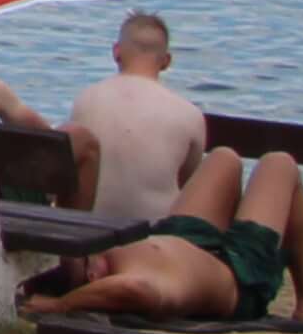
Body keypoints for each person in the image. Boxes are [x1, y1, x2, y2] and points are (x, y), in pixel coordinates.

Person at [25, 143, 303, 327]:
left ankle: (279, 235)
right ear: (92, 278)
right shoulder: (143, 282)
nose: (93, 256)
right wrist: (61, 306)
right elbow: (135, 289)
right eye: (89, 262)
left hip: (185, 239)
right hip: (237, 275)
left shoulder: (111, 262)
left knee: (224, 158)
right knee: (280, 164)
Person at [64, 12, 213, 223]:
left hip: (91, 232)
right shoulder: (189, 114)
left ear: (116, 52)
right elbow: (188, 188)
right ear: (166, 61)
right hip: (152, 238)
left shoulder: (87, 98)